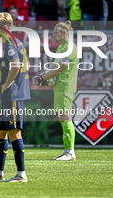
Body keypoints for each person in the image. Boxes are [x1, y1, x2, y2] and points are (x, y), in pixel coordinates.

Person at [0, 12, 30, 182]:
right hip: (12, 94)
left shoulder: (10, 44)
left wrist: (7, 83)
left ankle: (21, 174)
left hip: (13, 95)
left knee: (15, 133)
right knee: (0, 132)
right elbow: (27, 64)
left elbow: (16, 65)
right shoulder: (17, 42)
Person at [35, 20, 78, 160]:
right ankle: (68, 151)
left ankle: (70, 152)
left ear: (64, 33)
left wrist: (42, 77)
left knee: (65, 117)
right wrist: (47, 79)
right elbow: (55, 69)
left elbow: (60, 69)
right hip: (60, 86)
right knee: (63, 118)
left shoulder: (69, 48)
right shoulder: (61, 48)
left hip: (65, 86)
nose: (53, 35)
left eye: (55, 33)